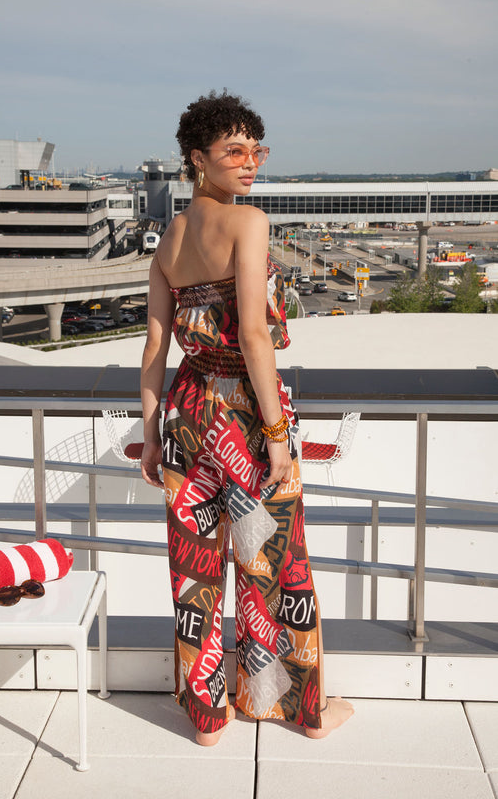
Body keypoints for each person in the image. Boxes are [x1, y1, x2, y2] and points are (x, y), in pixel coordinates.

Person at [140, 90, 353, 746]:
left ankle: (206, 716)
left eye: (255, 148)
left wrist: (150, 439)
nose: (249, 161)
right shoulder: (249, 223)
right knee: (274, 562)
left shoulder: (170, 239)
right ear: (197, 158)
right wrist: (278, 435)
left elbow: (153, 350)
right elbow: (255, 338)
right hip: (243, 414)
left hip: (184, 413)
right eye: (234, 149)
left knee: (194, 571)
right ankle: (292, 707)